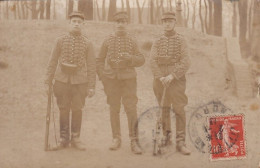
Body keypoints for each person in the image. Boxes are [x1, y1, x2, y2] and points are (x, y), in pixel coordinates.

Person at [45, 11, 96, 150]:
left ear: (83, 25)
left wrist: (91, 85)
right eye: (74, 21)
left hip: (80, 83)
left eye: (79, 22)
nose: (76, 24)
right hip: (62, 81)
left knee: (78, 109)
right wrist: (48, 81)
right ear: (69, 23)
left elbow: (92, 65)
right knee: (63, 109)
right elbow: (52, 61)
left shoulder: (87, 43)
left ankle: (75, 138)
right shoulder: (60, 40)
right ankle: (63, 139)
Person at [96, 11, 145, 154]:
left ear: (127, 24)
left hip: (129, 80)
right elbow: (99, 60)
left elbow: (141, 59)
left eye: (123, 22)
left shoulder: (132, 40)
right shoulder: (107, 40)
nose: (120, 25)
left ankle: (134, 140)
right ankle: (116, 138)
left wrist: (130, 58)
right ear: (114, 24)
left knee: (131, 108)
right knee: (114, 108)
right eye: (118, 22)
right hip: (111, 80)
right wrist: (102, 77)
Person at [150, 11, 191, 155]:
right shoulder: (157, 40)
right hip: (160, 81)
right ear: (162, 23)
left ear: (175, 22)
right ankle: (166, 137)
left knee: (179, 108)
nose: (167, 23)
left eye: (170, 21)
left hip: (177, 81)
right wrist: (161, 77)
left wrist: (172, 76)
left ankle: (181, 141)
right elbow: (152, 60)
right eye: (165, 21)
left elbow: (186, 61)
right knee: (164, 108)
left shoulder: (181, 40)